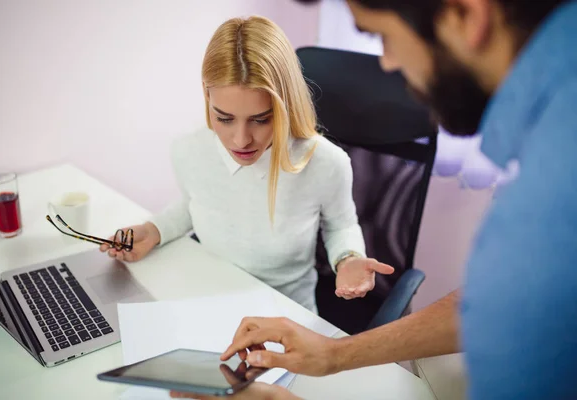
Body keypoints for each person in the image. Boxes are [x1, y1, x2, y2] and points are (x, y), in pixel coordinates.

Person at [174, 0, 577, 399]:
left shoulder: (555, 183)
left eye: (380, 35)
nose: (385, 64)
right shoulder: (550, 140)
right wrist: (334, 355)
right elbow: (494, 307)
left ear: (465, 14)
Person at [99, 16, 394, 314]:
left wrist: (349, 259)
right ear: (206, 94)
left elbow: (340, 225)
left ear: (285, 104)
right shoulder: (188, 151)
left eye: (261, 119)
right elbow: (197, 203)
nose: (240, 140)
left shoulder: (325, 163)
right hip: (211, 300)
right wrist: (155, 230)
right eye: (224, 118)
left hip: (287, 313)